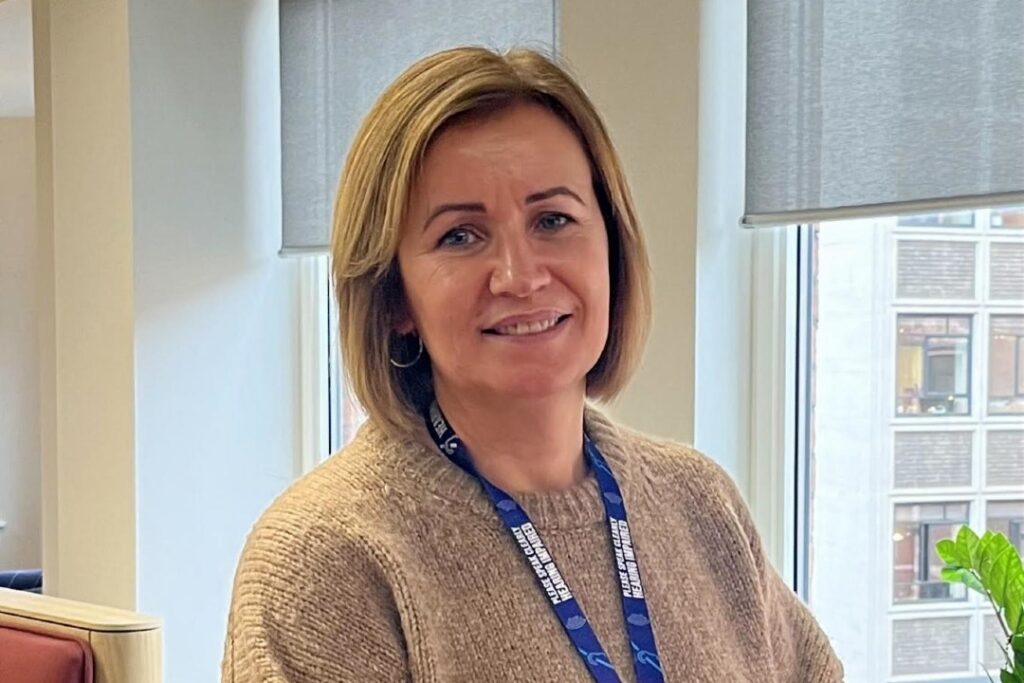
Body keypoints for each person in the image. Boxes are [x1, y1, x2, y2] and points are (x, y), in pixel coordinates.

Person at [222, 46, 844, 682]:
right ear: (394, 297)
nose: (520, 277)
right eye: (459, 236)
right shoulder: (326, 561)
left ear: (612, 250)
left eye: (553, 219)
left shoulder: (699, 502)